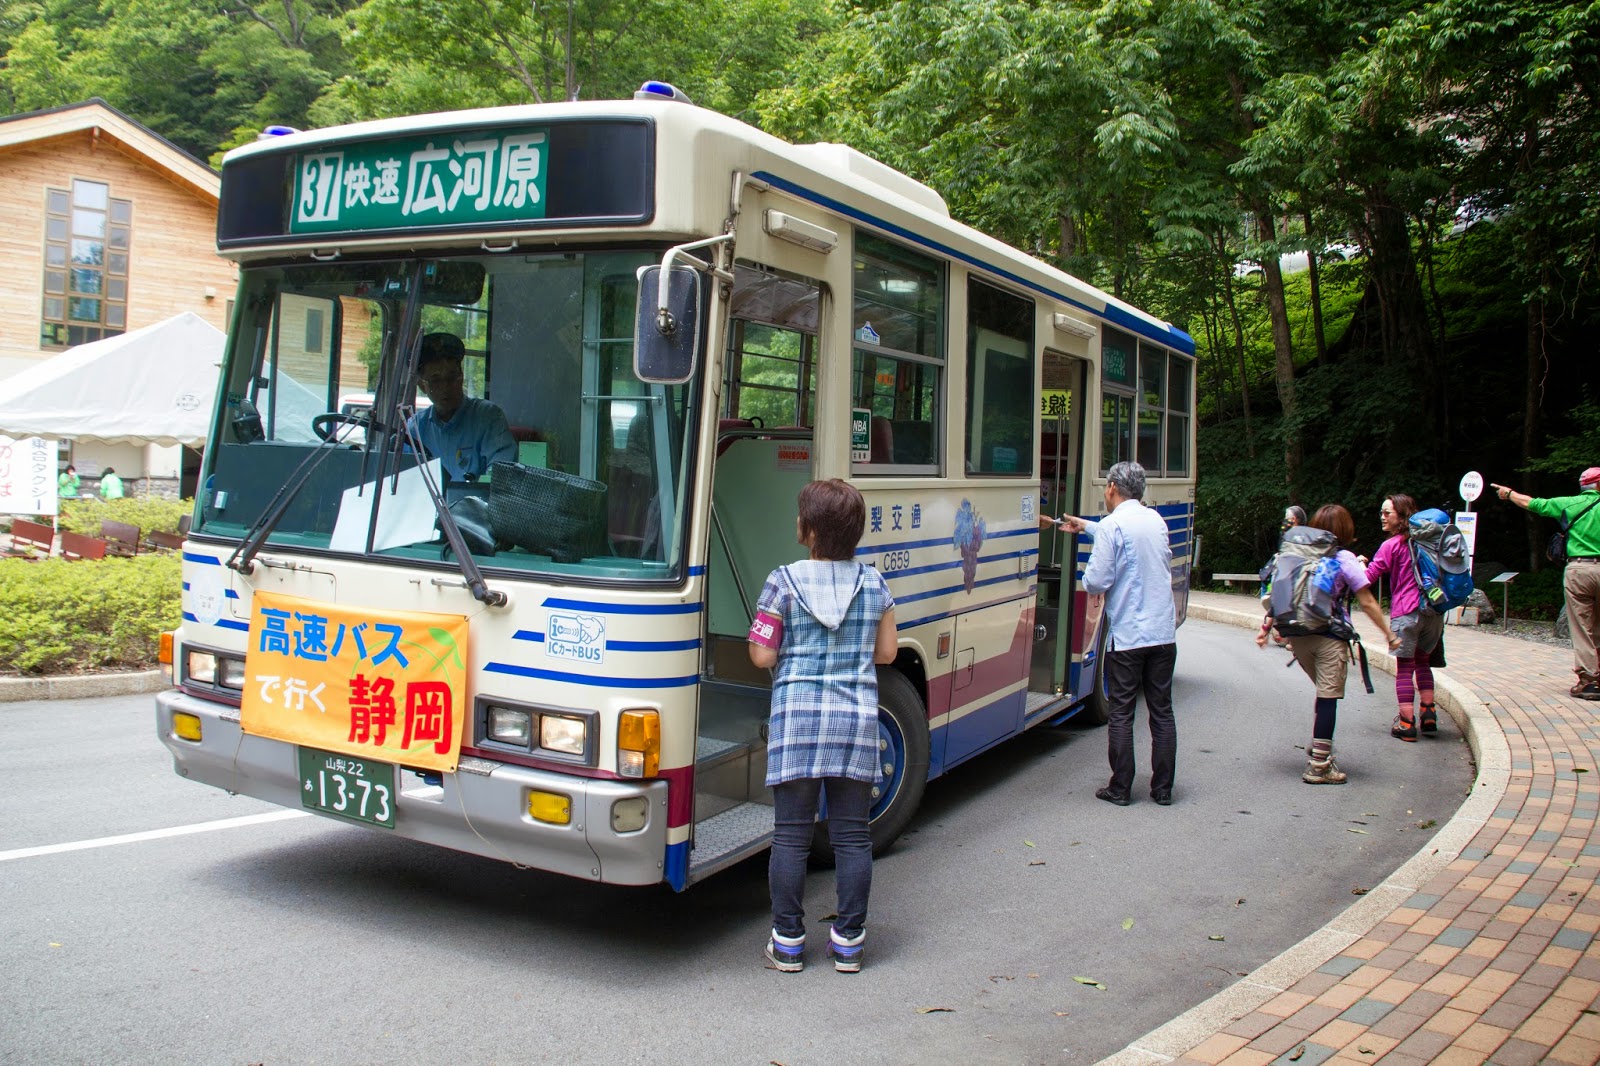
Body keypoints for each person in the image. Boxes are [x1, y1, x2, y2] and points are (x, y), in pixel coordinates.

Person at [748, 479, 897, 974]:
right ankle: (849, 942)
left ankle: (788, 941)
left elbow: (763, 653)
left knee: (790, 836)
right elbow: (887, 653)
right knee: (852, 836)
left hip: (797, 720)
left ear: (809, 531)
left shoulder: (781, 582)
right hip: (854, 720)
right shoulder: (874, 584)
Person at [1051, 461, 1178, 806]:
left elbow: (1095, 581)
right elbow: (1124, 534)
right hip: (1163, 635)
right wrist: (1086, 526)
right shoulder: (1155, 521)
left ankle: (1121, 788)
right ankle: (1163, 789)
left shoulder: (1112, 527)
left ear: (1111, 488)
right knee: (1161, 711)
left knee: (1122, 712)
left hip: (1129, 638)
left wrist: (1094, 546)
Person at [1255, 505, 1400, 783]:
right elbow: (1367, 601)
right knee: (1328, 698)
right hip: (1329, 637)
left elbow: (1280, 593)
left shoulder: (1296, 554)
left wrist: (1265, 629)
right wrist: (1389, 635)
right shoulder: (1343, 558)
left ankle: (1319, 744)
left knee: (1323, 695)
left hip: (1297, 638)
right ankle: (1319, 765)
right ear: (1345, 530)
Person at [1491, 469, 1600, 700]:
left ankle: (1590, 681)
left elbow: (1533, 504)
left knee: (1582, 627)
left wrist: (1508, 493)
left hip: (1579, 569)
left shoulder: (1569, 504)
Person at [1364, 493, 1440, 740]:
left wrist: (1359, 564)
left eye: (1388, 513)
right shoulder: (1429, 542)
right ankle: (1428, 713)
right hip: (1434, 612)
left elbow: (1368, 578)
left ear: (1402, 516)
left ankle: (1407, 723)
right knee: (1423, 662)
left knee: (1405, 668)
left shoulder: (1392, 545)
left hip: (1406, 612)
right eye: (1381, 513)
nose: (1382, 517)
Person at [406, 332, 516, 481]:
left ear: (461, 376)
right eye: (436, 380)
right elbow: (404, 477)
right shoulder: (416, 428)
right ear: (422, 386)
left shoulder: (488, 417)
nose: (446, 387)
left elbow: (503, 476)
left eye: (452, 377)